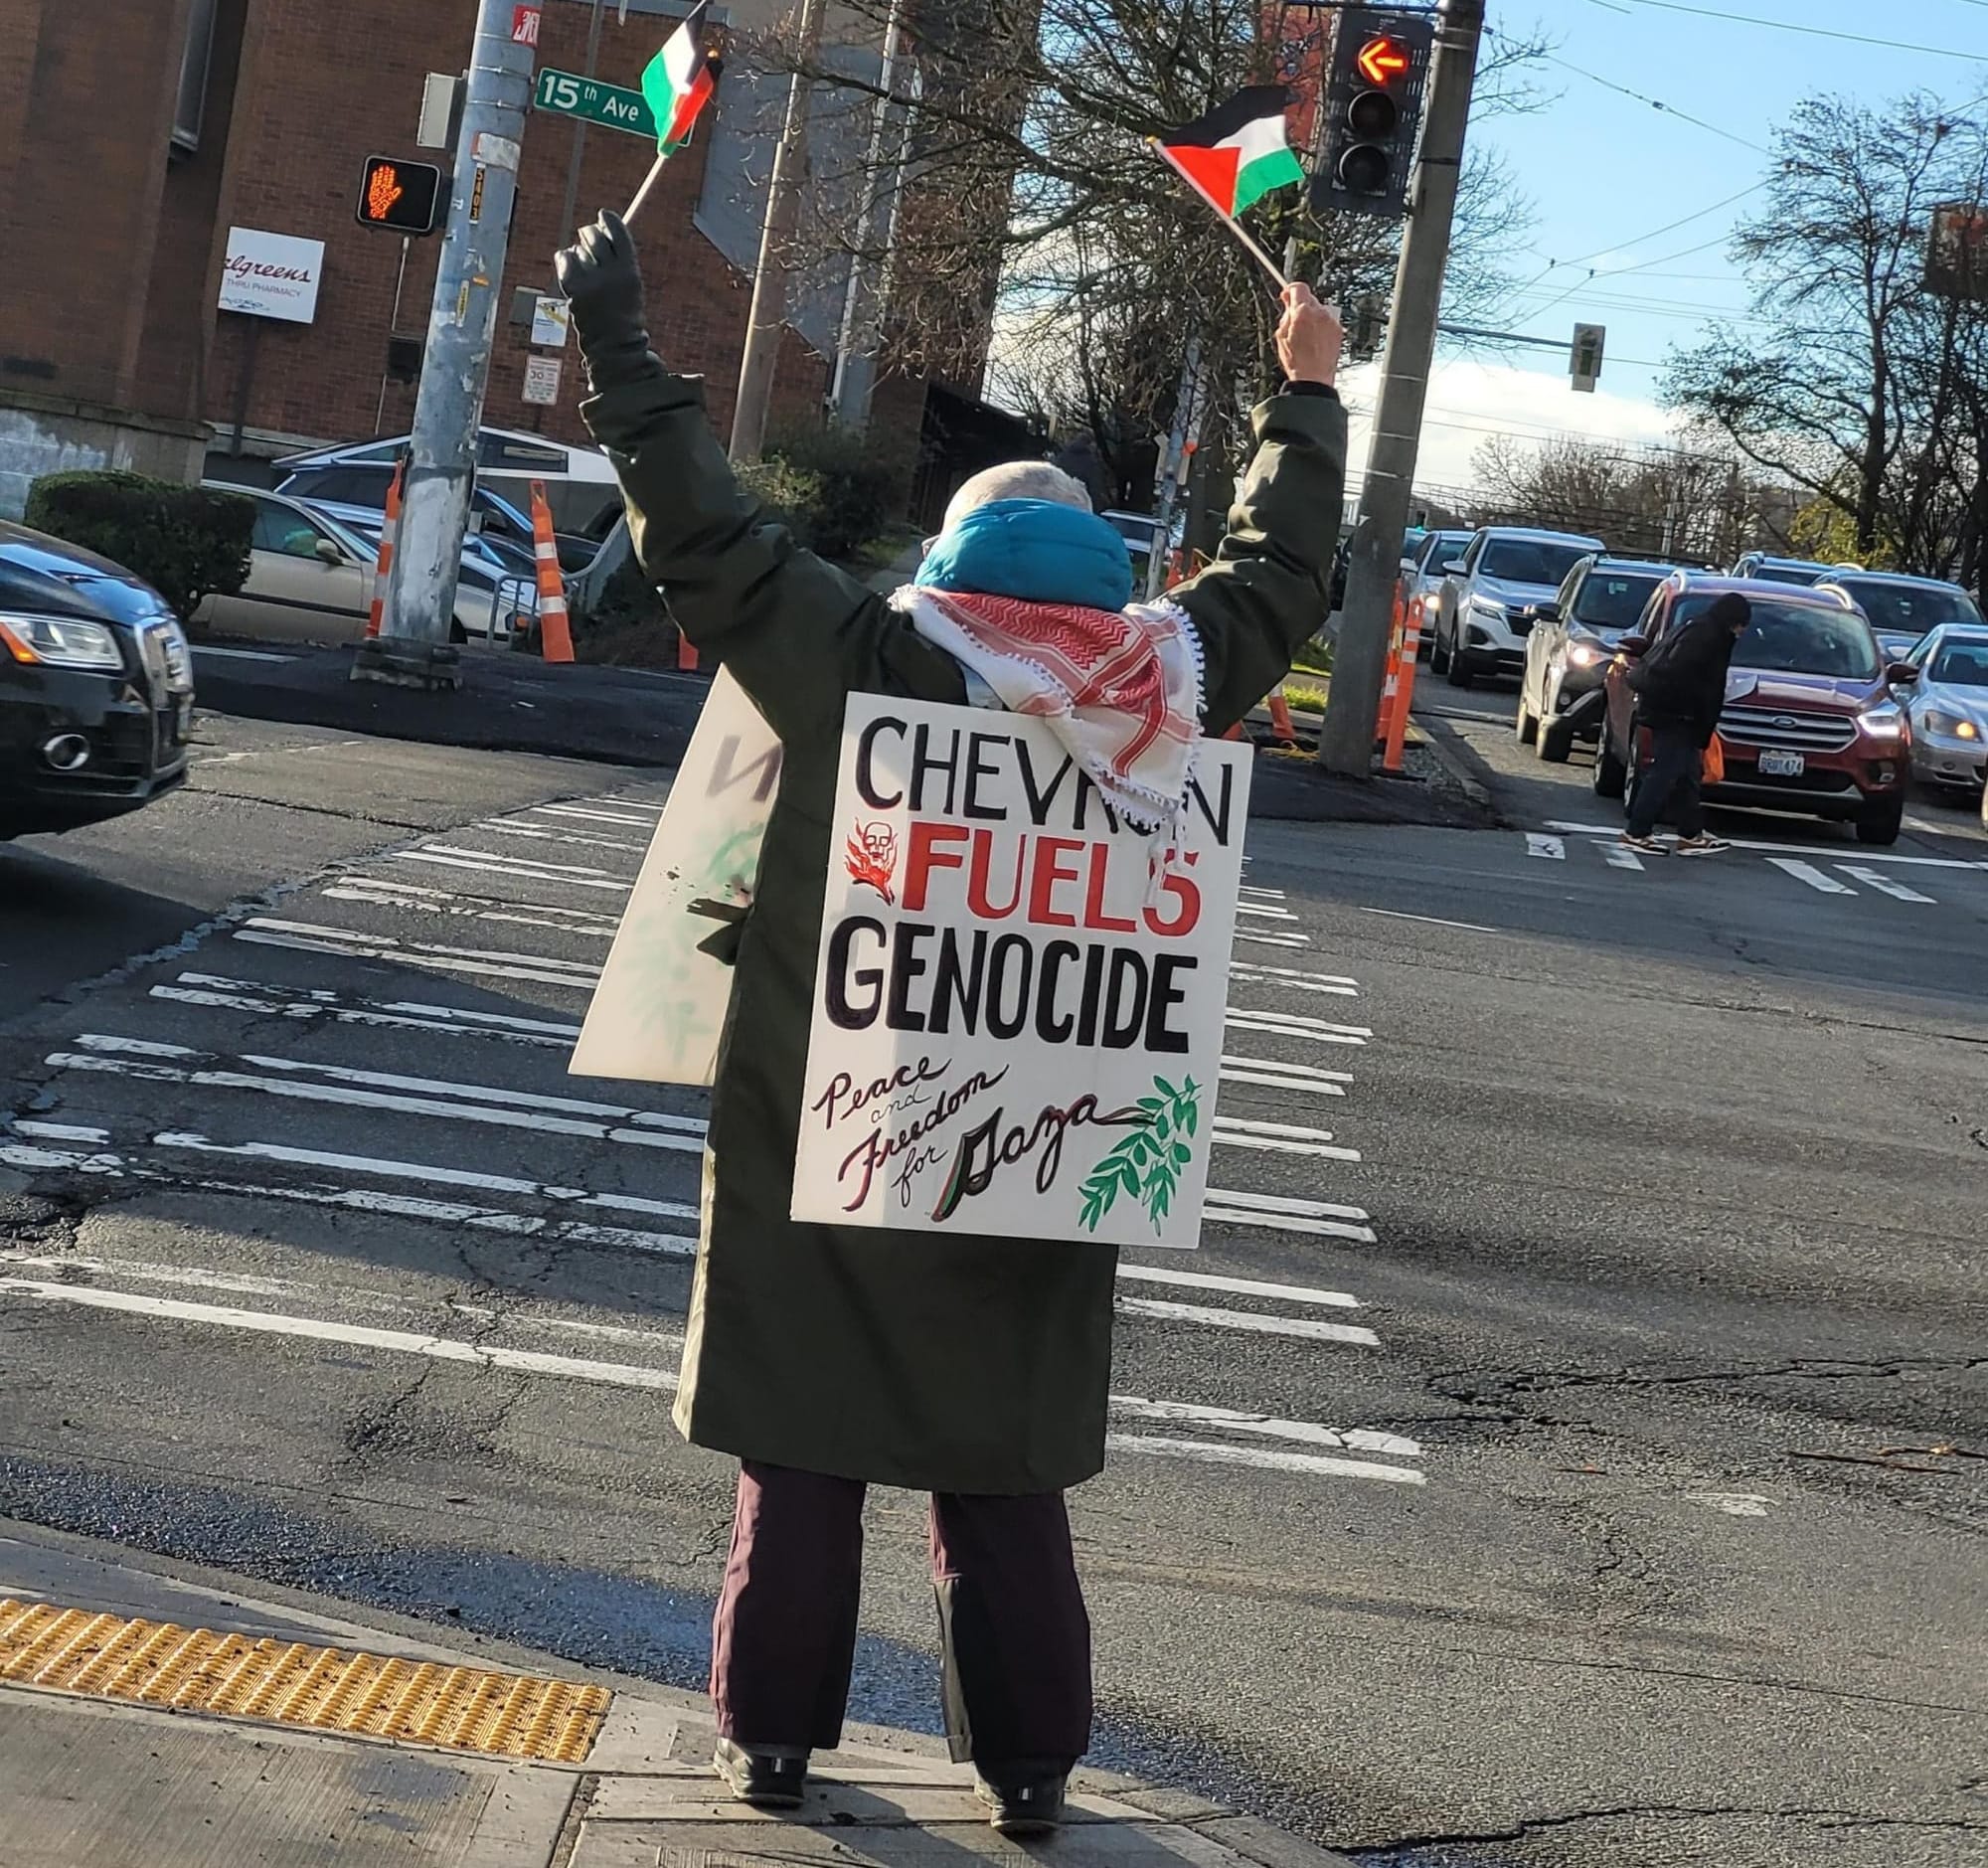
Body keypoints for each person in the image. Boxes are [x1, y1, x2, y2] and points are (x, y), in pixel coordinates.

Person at [554, 209, 1345, 1836]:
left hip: (836, 1131)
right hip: (1040, 1153)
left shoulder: (866, 662)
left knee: (800, 1455)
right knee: (1004, 1478)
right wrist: (1308, 394)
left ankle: (772, 1742)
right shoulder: (1173, 684)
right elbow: (1281, 574)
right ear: (1104, 578)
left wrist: (621, 344)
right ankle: (1031, 1769)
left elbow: (705, 531)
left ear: (949, 569)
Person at [1621, 591, 1752, 856]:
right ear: (1734, 620)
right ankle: (1637, 831)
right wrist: (1699, 709)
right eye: (1742, 625)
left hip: (1676, 712)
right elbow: (1684, 675)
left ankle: (1690, 834)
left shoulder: (1699, 627)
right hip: (1677, 714)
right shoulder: (1708, 636)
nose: (1742, 631)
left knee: (1688, 774)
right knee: (1664, 772)